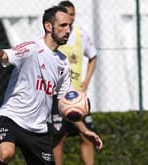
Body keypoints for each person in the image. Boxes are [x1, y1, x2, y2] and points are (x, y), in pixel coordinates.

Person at [0, 5, 103, 165]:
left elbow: (66, 103)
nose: (68, 30)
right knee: (6, 152)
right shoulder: (32, 49)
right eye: (63, 25)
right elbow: (7, 54)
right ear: (48, 26)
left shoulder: (63, 63)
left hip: (38, 129)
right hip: (11, 118)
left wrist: (84, 130)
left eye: (70, 26)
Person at [49, 1, 98, 165]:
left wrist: (87, 80)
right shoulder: (53, 36)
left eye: (73, 14)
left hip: (76, 97)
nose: (71, 17)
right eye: (68, 14)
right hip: (57, 97)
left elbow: (93, 56)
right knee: (59, 137)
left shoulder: (81, 34)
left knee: (87, 135)